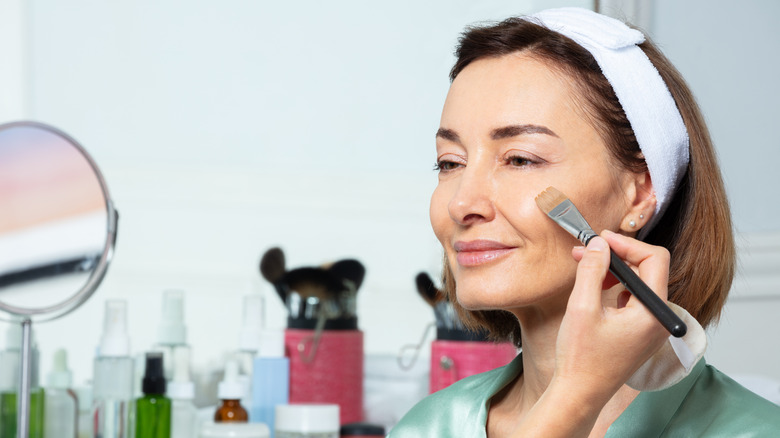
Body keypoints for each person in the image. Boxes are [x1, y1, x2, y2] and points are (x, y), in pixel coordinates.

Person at [389, 7, 780, 438]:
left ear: (641, 191)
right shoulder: (427, 428)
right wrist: (574, 397)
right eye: (449, 163)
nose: (462, 202)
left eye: (520, 159)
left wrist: (574, 395)